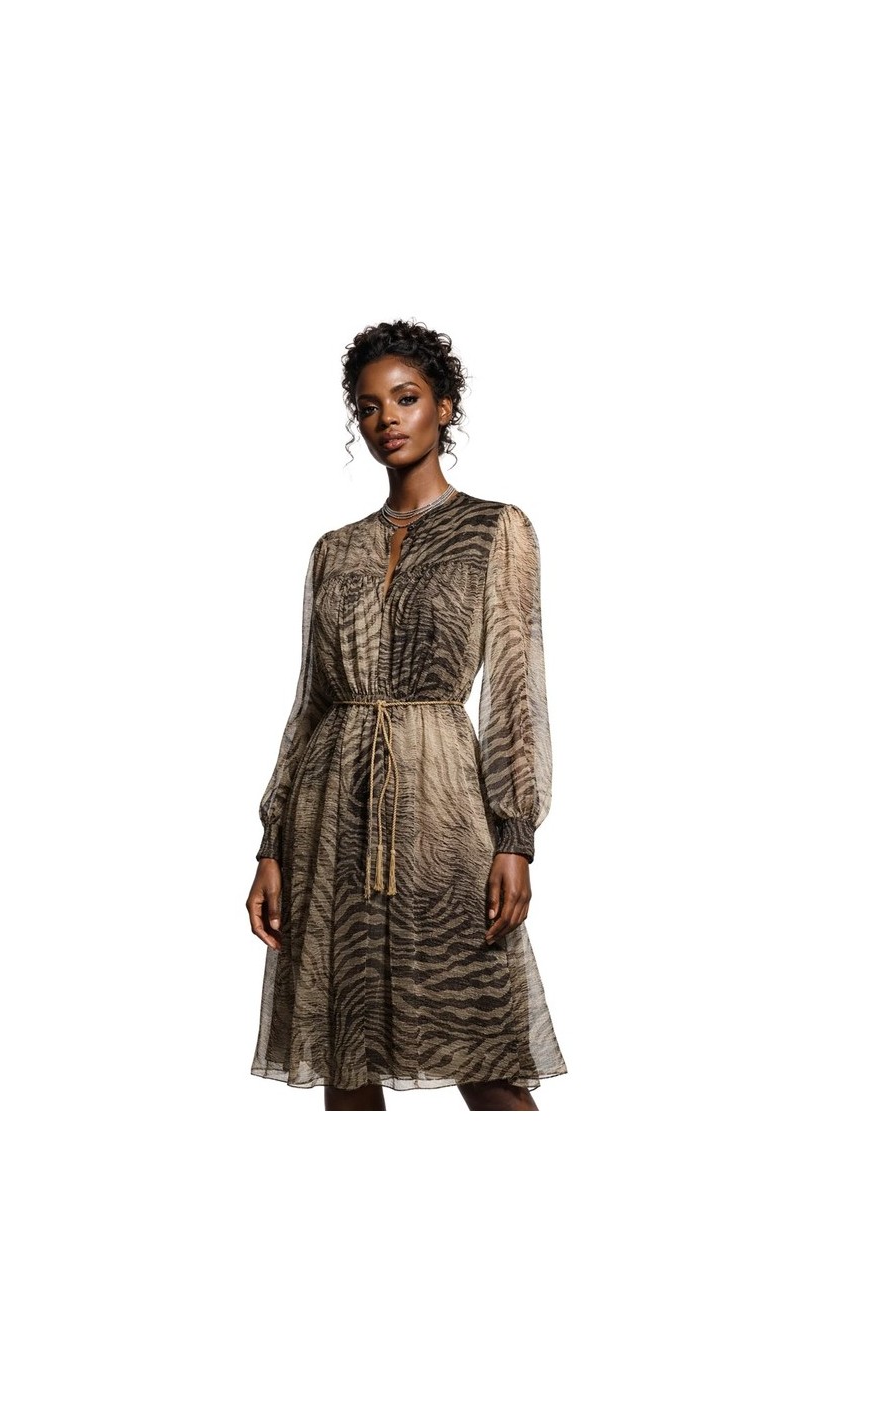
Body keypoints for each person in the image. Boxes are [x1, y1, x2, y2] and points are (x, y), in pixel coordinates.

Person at [245, 320, 567, 1112]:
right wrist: (271, 844)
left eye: (406, 398)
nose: (386, 418)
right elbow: (311, 703)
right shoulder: (335, 549)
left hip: (442, 809)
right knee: (345, 1058)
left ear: (444, 407)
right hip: (330, 816)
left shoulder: (496, 529)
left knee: (484, 1049)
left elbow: (515, 689)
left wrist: (515, 836)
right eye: (367, 406)